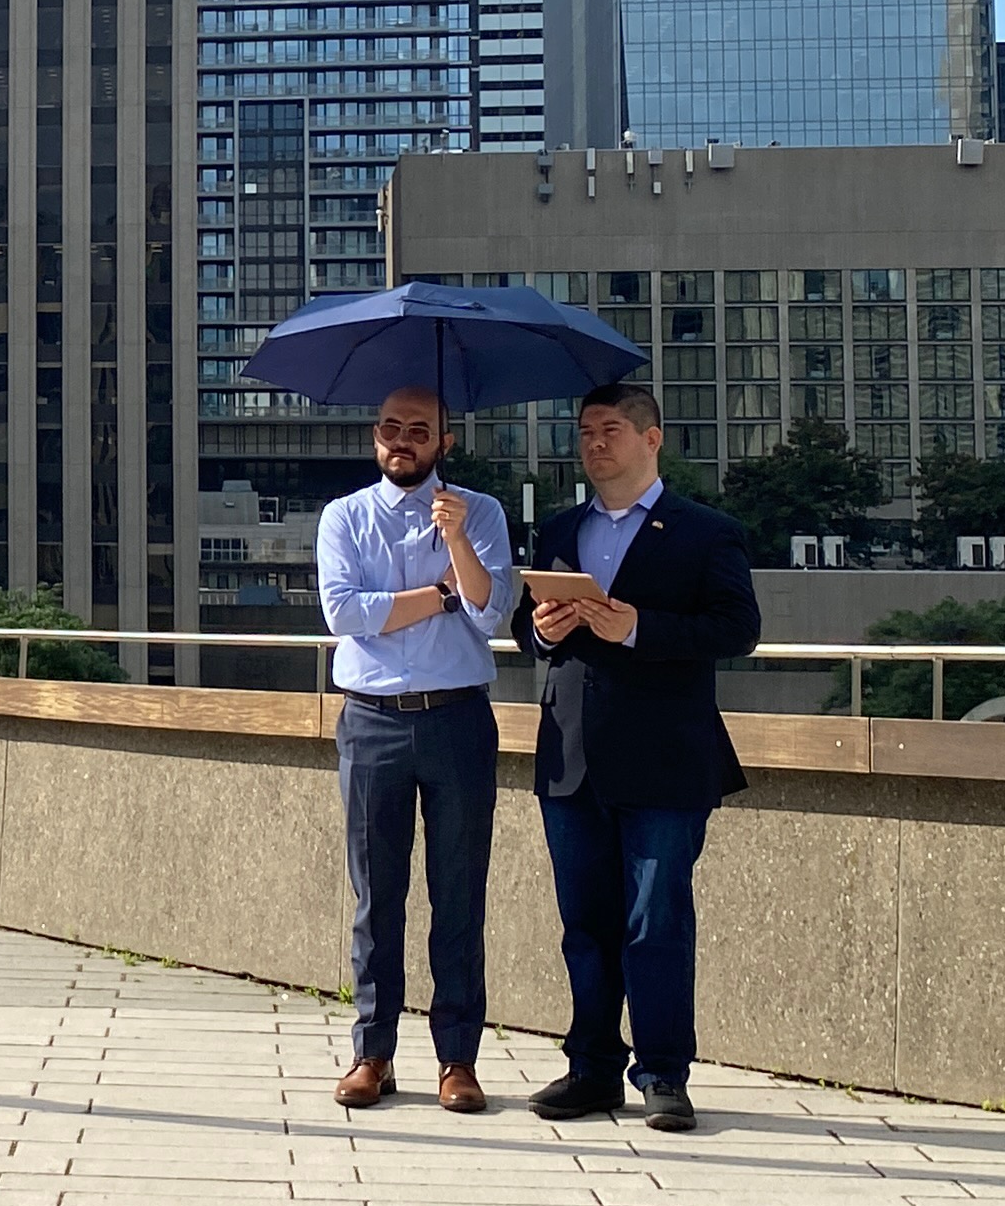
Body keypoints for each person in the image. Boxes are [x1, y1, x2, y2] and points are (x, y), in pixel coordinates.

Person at [524, 378, 761, 1136]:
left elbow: (736, 630)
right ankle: (592, 1068)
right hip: (572, 755)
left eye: (611, 431)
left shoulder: (704, 531)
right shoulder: (559, 530)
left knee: (655, 920)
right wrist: (546, 634)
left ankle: (662, 1071)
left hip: (666, 758)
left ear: (651, 438)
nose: (595, 444)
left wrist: (636, 627)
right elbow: (530, 633)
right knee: (584, 922)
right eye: (586, 431)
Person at [315, 388, 516, 1115]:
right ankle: (373, 1051)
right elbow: (346, 614)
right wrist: (437, 597)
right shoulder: (345, 516)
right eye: (392, 429)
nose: (404, 441)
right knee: (378, 896)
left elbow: (494, 610)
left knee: (458, 894)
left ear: (444, 442)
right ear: (376, 437)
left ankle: (457, 1059)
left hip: (457, 717)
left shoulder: (480, 513)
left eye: (419, 431)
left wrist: (457, 543)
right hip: (371, 721)